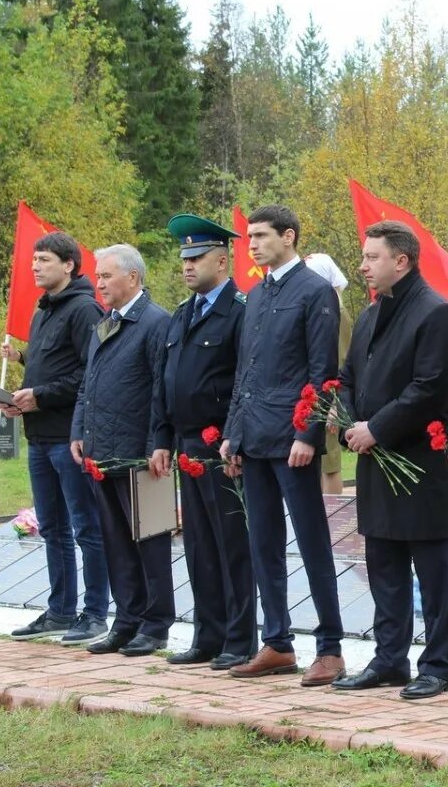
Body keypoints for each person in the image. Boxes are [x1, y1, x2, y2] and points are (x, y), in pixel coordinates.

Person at [331, 221, 448, 699]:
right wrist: (349, 425)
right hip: (375, 462)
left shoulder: (436, 313)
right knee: (383, 564)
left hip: (419, 466)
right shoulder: (369, 315)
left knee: (432, 570)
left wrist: (377, 428)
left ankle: (438, 664)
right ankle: (390, 659)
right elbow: (344, 378)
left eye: (372, 257)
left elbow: (429, 388)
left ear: (401, 261)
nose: (363, 265)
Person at [221, 205, 346, 686]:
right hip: (253, 436)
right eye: (248, 237)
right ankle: (276, 642)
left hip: (292, 439)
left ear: (288, 237)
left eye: (260, 235)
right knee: (263, 542)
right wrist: (233, 431)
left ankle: (330, 648)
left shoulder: (314, 291)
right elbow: (244, 372)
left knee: (312, 541)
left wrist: (308, 434)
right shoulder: (255, 295)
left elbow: (323, 373)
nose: (251, 244)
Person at [150, 214, 255, 671]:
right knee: (198, 546)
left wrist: (234, 437)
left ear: (221, 258)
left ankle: (239, 638)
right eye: (183, 259)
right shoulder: (181, 314)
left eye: (196, 258)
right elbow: (164, 383)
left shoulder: (240, 311)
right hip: (187, 444)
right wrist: (161, 438)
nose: (188, 266)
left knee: (232, 543)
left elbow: (244, 382)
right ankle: (207, 635)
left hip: (222, 445)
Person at [1, 232, 110, 646]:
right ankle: (61, 610)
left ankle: (96, 612)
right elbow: (51, 364)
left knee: (86, 526)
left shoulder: (84, 308)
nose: (34, 267)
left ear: (68, 265)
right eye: (34, 260)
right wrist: (19, 399)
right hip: (39, 434)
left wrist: (41, 396)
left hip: (70, 437)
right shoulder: (44, 308)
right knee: (52, 528)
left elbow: (91, 373)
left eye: (43, 259)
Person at [70, 244, 174, 657]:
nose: (99, 284)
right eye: (97, 277)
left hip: (142, 456)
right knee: (116, 542)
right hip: (103, 452)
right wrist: (79, 429)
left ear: (132, 277)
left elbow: (160, 391)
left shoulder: (155, 322)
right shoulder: (105, 324)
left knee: (150, 542)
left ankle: (156, 624)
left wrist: (157, 443)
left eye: (106, 276)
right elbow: (87, 382)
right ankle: (126, 621)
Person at [304, 252, 353, 496]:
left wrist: (335, 403)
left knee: (329, 464)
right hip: (314, 398)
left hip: (327, 399)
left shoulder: (337, 313)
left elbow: (342, 359)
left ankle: (331, 521)